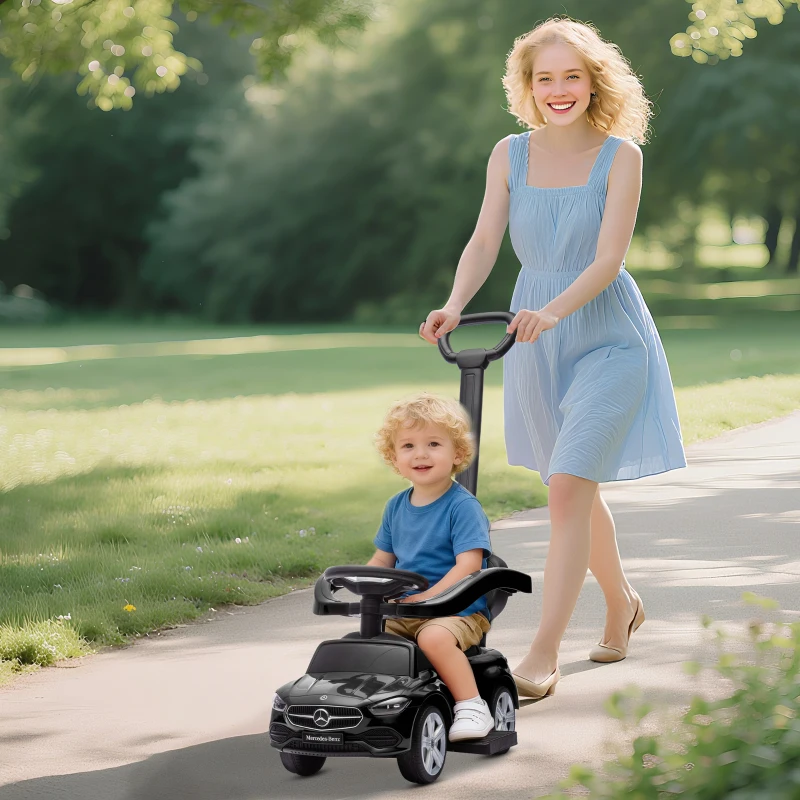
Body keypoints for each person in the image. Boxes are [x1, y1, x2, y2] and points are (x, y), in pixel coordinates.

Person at [419, 17, 686, 700]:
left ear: (593, 81)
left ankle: (542, 654)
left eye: (572, 75)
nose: (559, 89)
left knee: (569, 483)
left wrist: (557, 310)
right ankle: (621, 601)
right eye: (546, 78)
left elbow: (609, 259)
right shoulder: (509, 153)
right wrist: (453, 302)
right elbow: (484, 240)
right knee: (570, 486)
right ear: (528, 86)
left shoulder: (620, 155)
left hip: (605, 334)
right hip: (534, 336)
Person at [367, 392, 495, 741]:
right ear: (394, 457)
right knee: (365, 641)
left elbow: (468, 566)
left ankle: (471, 706)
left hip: (458, 610)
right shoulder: (396, 506)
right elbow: (383, 559)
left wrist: (428, 599)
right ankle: (382, 706)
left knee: (434, 638)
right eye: (408, 446)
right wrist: (364, 586)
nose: (420, 454)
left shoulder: (462, 507)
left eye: (433, 443)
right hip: (407, 610)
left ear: (457, 454)